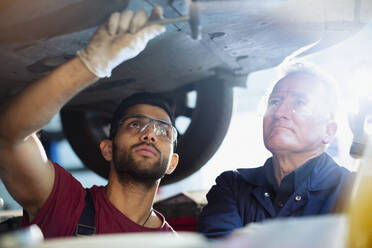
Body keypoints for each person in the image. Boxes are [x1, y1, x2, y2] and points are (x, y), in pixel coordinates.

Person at [0, 6, 179, 238]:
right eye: (134, 124)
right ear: (107, 148)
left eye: (164, 131)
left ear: (172, 163)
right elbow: (10, 137)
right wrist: (92, 64)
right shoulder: (64, 203)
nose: (150, 134)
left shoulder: (172, 243)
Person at [196, 61, 354, 239]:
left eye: (300, 102)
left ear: (328, 131)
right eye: (274, 101)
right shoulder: (232, 187)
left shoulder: (354, 190)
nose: (279, 113)